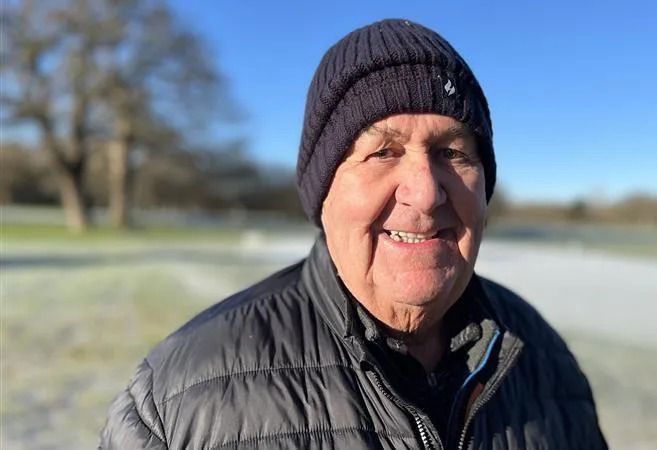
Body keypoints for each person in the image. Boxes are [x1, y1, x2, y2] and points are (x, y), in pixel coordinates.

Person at [99, 18, 608, 449]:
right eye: (383, 152)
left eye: (452, 152)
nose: (425, 192)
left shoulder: (543, 357)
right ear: (323, 193)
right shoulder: (174, 404)